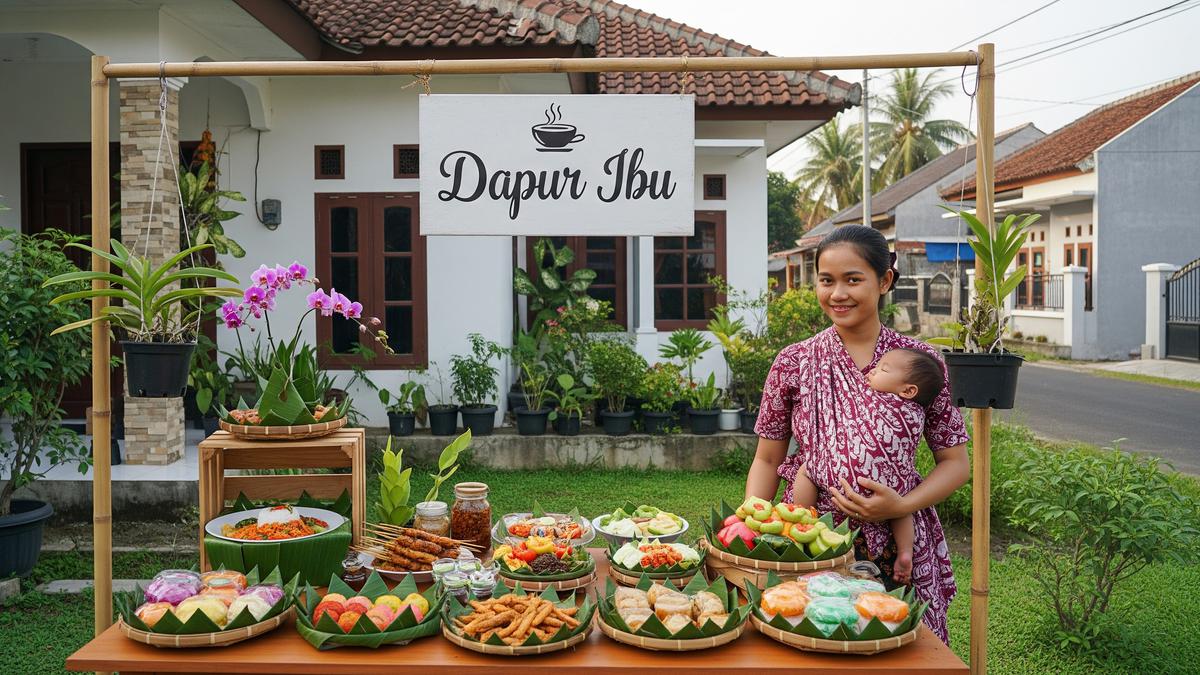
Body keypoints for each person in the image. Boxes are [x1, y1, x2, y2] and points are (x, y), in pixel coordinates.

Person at [748, 225, 969, 644]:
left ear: (884, 281)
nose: (838, 294)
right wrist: (753, 531)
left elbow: (955, 464)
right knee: (811, 641)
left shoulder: (921, 364)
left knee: (897, 650)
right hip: (810, 539)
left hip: (898, 545)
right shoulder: (794, 362)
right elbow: (767, 459)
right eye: (826, 280)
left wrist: (900, 505)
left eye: (853, 280)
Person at [788, 346, 946, 584]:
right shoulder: (915, 412)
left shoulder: (869, 397)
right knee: (902, 505)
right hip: (887, 489)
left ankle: (802, 521)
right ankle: (905, 552)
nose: (872, 371)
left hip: (840, 480)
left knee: (807, 470)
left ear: (908, 390)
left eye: (883, 369)